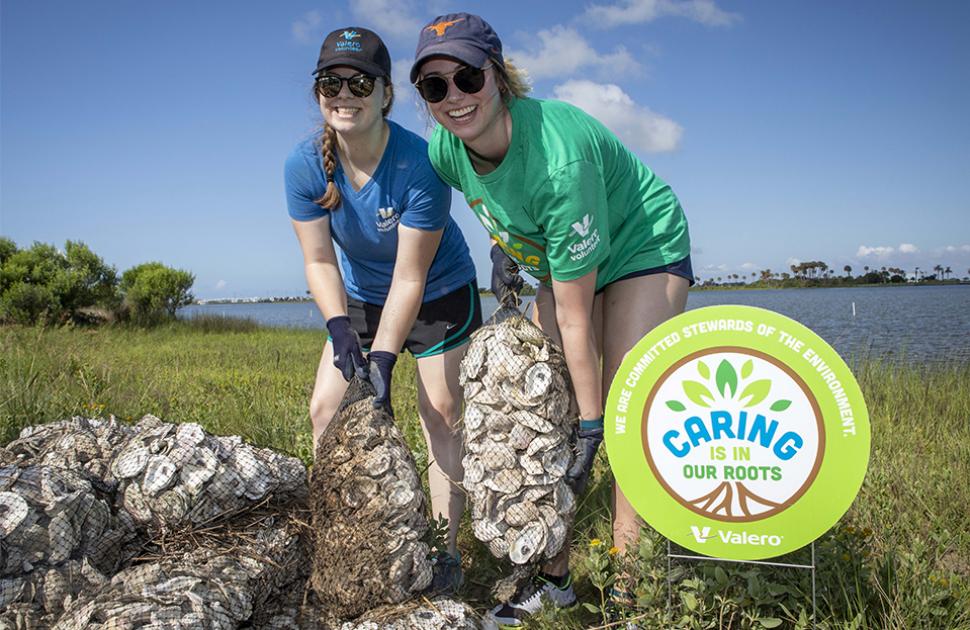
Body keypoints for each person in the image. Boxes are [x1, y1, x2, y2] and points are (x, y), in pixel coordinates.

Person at [410, 13, 693, 625]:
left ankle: (630, 593)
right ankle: (553, 577)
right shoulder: (445, 147)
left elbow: (571, 314)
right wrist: (503, 246)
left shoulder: (559, 162)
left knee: (626, 405)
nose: (454, 97)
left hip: (641, 245)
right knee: (539, 404)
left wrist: (591, 424)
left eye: (467, 77)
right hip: (570, 259)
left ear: (499, 77)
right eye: (435, 87)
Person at [285, 26, 481, 579]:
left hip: (438, 289)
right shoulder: (304, 165)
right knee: (327, 407)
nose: (344, 94)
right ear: (318, 91)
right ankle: (350, 538)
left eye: (360, 82)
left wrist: (385, 361)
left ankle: (447, 548)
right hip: (362, 297)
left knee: (441, 410)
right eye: (331, 82)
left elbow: (410, 275)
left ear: (385, 93)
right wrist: (340, 329)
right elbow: (320, 261)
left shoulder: (420, 162)